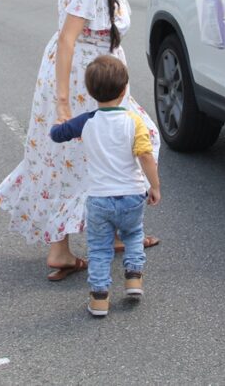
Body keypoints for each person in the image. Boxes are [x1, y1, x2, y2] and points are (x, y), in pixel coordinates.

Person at [0, 0, 219, 281]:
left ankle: (96, 236)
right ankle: (66, 248)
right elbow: (67, 41)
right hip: (84, 81)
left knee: (85, 155)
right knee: (107, 148)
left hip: (95, 77)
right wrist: (64, 104)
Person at [49, 54, 161, 317]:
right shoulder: (134, 121)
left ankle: (99, 298)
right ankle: (133, 279)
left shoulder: (86, 121)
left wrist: (58, 122)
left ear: (90, 92)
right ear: (124, 92)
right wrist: (154, 187)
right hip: (132, 195)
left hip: (99, 199)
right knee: (133, 235)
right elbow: (145, 156)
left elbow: (57, 135)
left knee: (99, 247)